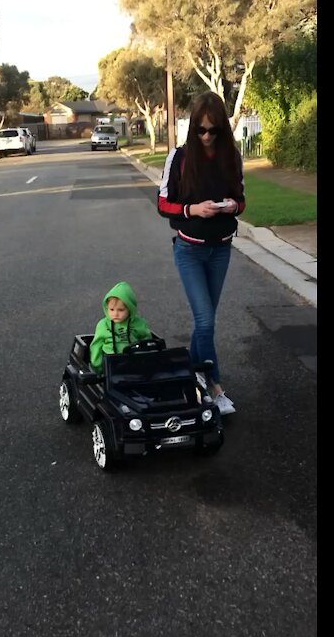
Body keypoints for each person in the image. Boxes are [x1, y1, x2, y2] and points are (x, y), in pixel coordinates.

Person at [155, 91, 246, 415]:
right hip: (189, 250)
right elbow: (163, 203)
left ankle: (192, 374)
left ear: (223, 129)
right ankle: (215, 388)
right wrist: (193, 209)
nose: (207, 136)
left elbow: (242, 199)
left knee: (205, 324)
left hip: (221, 250)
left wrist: (233, 205)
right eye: (201, 130)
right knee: (205, 321)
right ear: (193, 128)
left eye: (213, 130)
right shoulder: (179, 158)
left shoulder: (231, 157)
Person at [89, 281, 154, 374]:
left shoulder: (138, 324)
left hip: (134, 363)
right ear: (107, 308)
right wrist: (98, 368)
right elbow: (96, 346)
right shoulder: (103, 325)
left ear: (130, 309)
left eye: (121, 310)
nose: (115, 314)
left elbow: (147, 341)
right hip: (110, 365)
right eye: (111, 309)